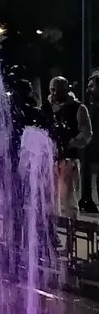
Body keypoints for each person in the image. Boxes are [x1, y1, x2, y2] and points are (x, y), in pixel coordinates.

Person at [46, 75, 93, 220]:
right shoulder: (46, 107)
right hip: (50, 158)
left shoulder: (78, 108)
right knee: (51, 199)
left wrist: (71, 142)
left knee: (69, 199)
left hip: (69, 159)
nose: (55, 94)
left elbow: (86, 133)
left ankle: (71, 229)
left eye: (59, 90)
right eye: (53, 90)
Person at [80, 71, 99, 214]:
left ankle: (87, 199)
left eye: (92, 86)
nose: (89, 89)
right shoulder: (89, 102)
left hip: (94, 143)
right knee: (85, 172)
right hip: (90, 143)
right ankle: (86, 199)